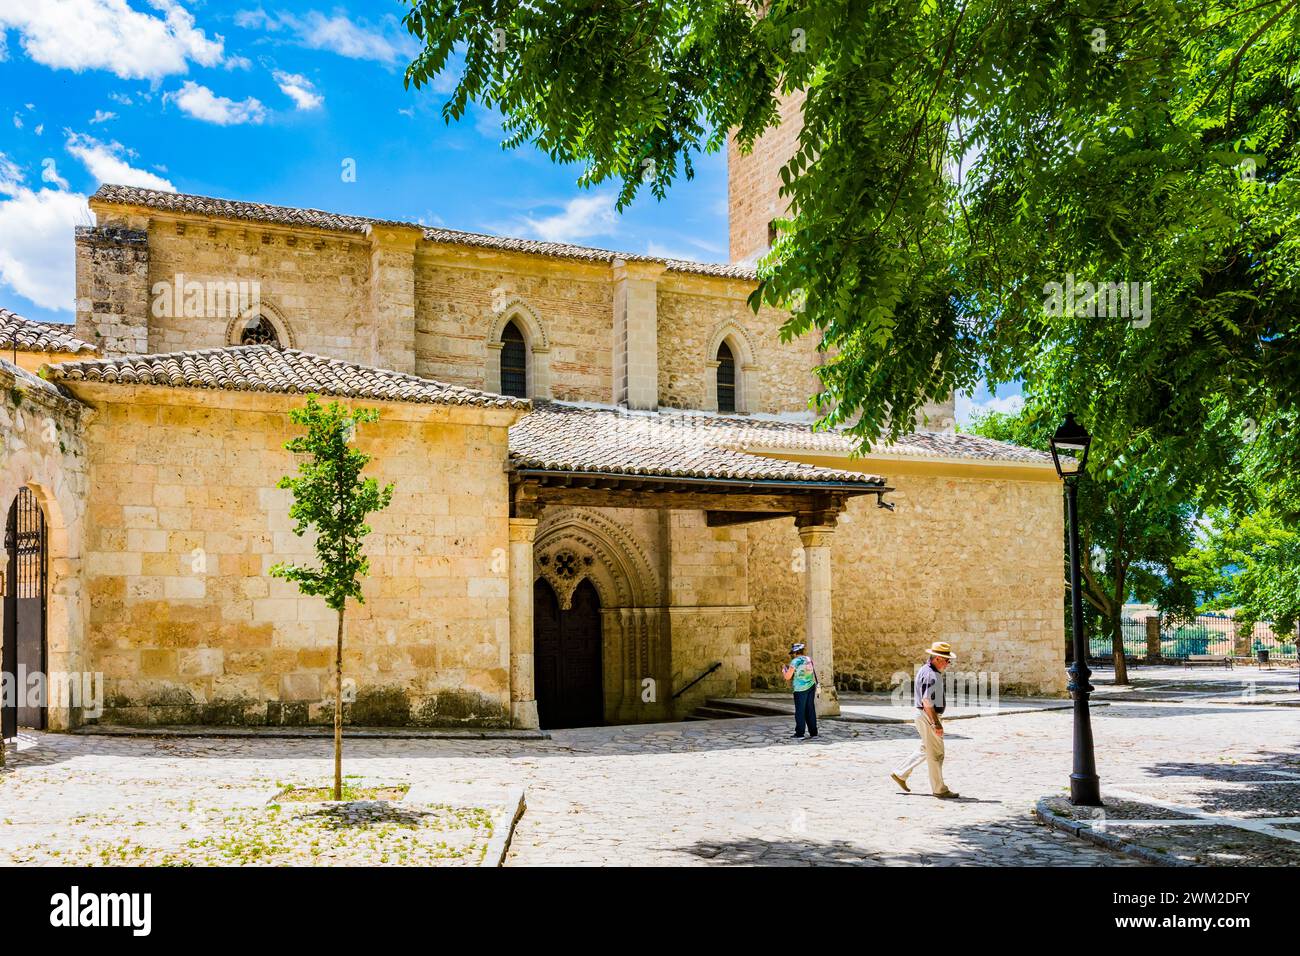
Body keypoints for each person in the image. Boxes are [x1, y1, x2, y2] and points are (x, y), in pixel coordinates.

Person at [890, 641, 959, 798]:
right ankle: (939, 789)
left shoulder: (924, 670)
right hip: (927, 716)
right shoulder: (931, 675)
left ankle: (900, 773)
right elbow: (927, 701)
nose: (948, 663)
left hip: (922, 715)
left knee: (926, 749)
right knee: (936, 754)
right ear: (937, 658)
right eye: (947, 660)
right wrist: (936, 723)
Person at [781, 642, 819, 739]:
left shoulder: (795, 662)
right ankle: (813, 732)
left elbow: (788, 677)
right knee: (810, 710)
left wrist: (784, 671)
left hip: (800, 689)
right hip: (811, 686)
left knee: (800, 711)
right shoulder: (808, 659)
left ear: (795, 652)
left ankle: (799, 733)